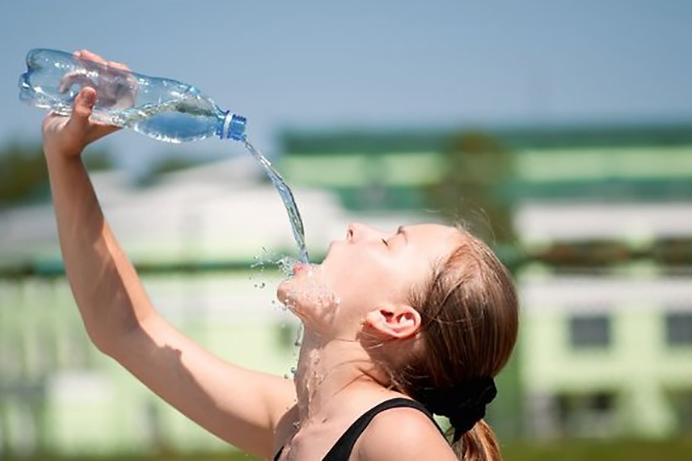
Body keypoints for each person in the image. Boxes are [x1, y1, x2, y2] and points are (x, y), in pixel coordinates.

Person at [42, 50, 519, 461]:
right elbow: (126, 330)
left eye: (391, 242)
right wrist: (63, 157)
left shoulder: (400, 436)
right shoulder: (296, 423)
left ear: (394, 317)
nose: (358, 228)